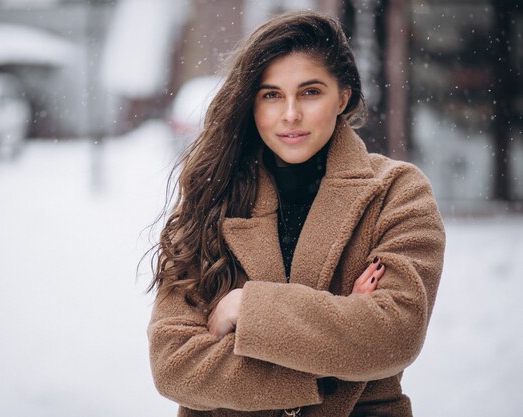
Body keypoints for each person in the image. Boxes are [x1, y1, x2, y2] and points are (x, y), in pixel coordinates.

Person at [147, 10, 445, 417]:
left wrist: (245, 307)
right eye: (271, 95)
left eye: (310, 92)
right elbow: (174, 366)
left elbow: (394, 336)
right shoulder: (212, 193)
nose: (290, 114)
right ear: (251, 103)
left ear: (343, 96)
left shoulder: (396, 192)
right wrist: (332, 365)